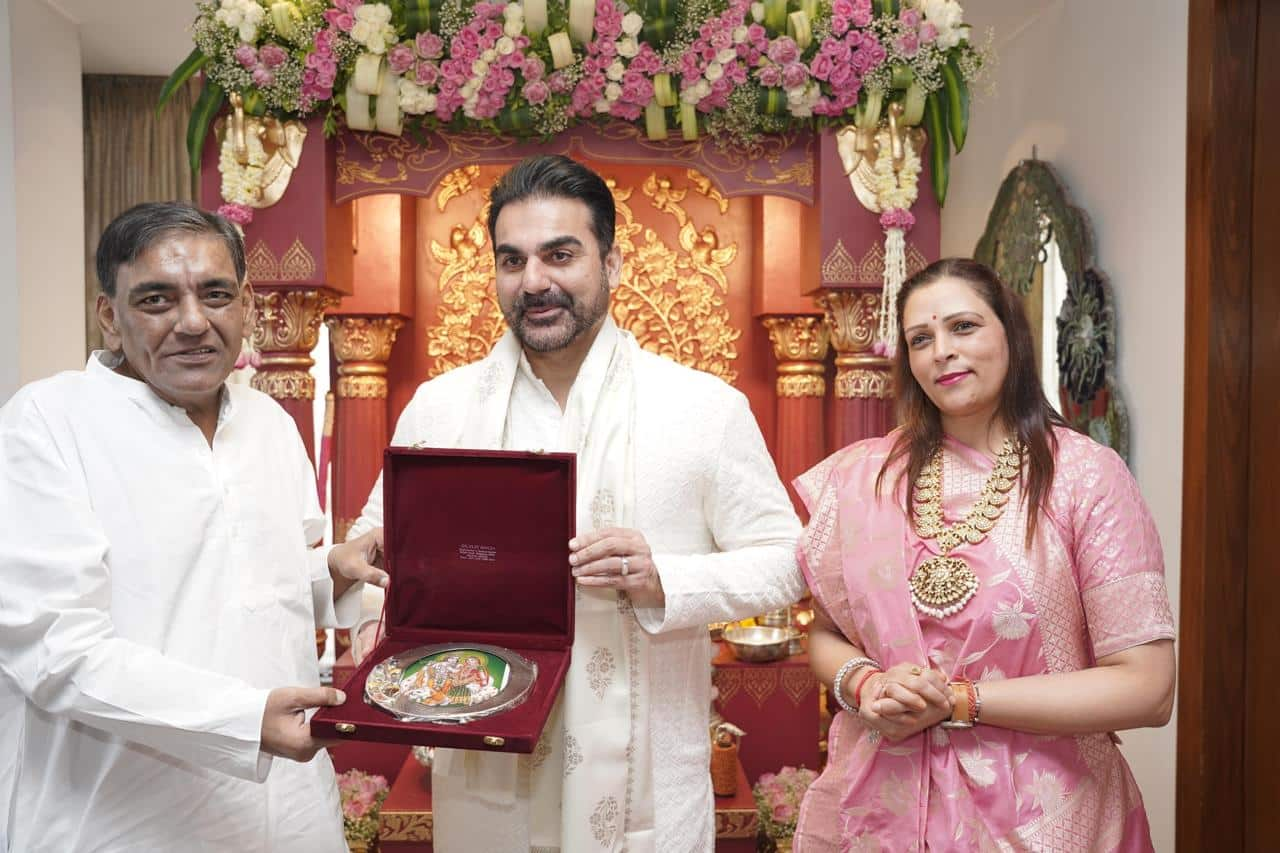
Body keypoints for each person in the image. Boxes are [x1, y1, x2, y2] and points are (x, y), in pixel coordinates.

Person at [346, 155, 805, 851]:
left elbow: (786, 559)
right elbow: (381, 531)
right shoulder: (439, 408)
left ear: (613, 263)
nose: (534, 282)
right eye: (512, 260)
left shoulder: (704, 409)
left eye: (560, 254)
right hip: (485, 792)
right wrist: (363, 555)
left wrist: (665, 577)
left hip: (645, 794)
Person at [0, 202, 388, 851]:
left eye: (215, 295)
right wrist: (244, 720)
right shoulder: (47, 423)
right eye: (156, 298)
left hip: (289, 814)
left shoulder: (267, 423)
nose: (192, 322)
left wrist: (331, 570)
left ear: (244, 305)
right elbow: (54, 647)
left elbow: (258, 586)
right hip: (118, 821)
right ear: (109, 317)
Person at [793, 258, 1176, 851]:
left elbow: (1147, 689)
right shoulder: (866, 477)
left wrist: (959, 702)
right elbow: (824, 634)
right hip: (885, 811)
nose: (941, 350)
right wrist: (866, 684)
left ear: (1011, 336)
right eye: (921, 339)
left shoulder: (1084, 477)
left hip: (1046, 818)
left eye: (964, 326)